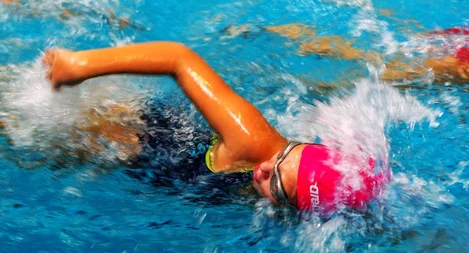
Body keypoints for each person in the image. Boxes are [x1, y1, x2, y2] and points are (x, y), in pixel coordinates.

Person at [43, 42, 387, 214]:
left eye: (278, 189)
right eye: (283, 159)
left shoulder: (293, 210)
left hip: (168, 167)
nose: (263, 171)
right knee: (28, 134)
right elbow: (179, 58)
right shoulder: (253, 142)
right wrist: (80, 65)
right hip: (141, 138)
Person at [265, 23, 469, 90]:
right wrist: (465, 77)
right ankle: (314, 88)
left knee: (380, 51)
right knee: (396, 78)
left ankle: (295, 35)